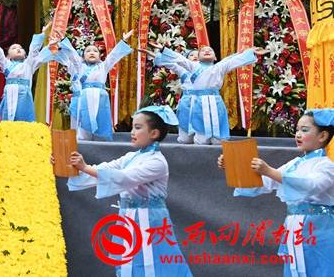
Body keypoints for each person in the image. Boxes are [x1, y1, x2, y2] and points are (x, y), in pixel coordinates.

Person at [63, 105, 193, 277]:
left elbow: (123, 177)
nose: (132, 132)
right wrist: (66, 164)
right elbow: (105, 169)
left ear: (154, 133)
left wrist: (85, 167)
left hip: (150, 220)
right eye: (132, 127)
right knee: (130, 264)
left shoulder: (157, 162)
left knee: (155, 264)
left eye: (138, 128)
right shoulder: (131, 157)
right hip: (129, 217)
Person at [219, 109, 334, 277]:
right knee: (295, 269)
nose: (298, 135)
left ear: (322, 136)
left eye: (304, 130)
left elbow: (312, 185)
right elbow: (261, 183)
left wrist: (269, 171)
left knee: (320, 268)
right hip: (296, 228)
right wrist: (233, 167)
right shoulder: (295, 164)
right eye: (297, 130)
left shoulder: (326, 165)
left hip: (320, 229)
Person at [52, 30, 135, 141]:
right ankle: (82, 145)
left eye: (95, 51)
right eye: (88, 51)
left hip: (101, 98)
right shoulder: (79, 66)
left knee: (101, 123)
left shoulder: (104, 66)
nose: (92, 53)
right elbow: (72, 54)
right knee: (83, 126)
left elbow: (114, 56)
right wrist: (63, 40)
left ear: (100, 56)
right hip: (84, 98)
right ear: (83, 56)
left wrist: (123, 41)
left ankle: (101, 146)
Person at [0, 22, 57, 122]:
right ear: (8, 56)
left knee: (23, 121)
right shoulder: (6, 64)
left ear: (25, 55)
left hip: (24, 96)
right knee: (9, 120)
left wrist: (42, 34)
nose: (18, 49)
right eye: (14, 48)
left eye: (20, 48)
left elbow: (34, 50)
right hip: (9, 94)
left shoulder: (28, 64)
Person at [148, 46, 199, 144]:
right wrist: (157, 56)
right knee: (185, 139)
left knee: (201, 135)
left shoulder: (208, 70)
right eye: (191, 55)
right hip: (187, 102)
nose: (194, 57)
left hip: (201, 102)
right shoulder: (183, 71)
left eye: (197, 55)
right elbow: (170, 63)